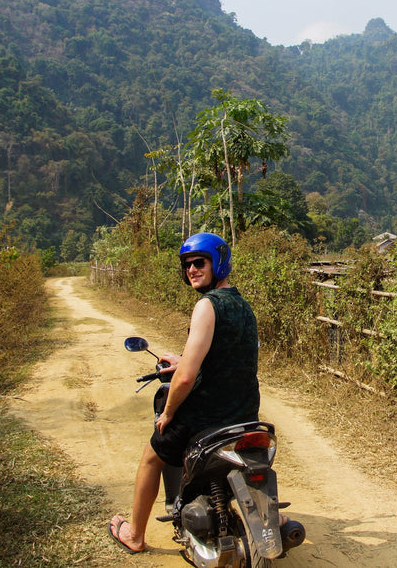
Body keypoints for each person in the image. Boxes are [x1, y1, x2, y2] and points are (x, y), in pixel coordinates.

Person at [109, 232, 260, 554]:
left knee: (152, 457)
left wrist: (168, 413)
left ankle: (134, 535)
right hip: (245, 414)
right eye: (187, 265)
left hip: (205, 416)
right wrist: (180, 360)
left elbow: (186, 379)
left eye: (199, 262)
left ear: (218, 263)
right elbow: (224, 353)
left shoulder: (207, 305)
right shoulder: (243, 305)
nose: (191, 269)